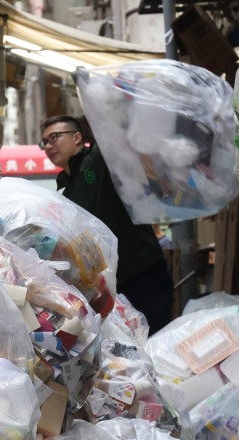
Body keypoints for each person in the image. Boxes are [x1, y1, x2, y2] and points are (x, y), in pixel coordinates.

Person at [40, 114, 174, 334]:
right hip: (108, 288)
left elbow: (112, 131)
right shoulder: (66, 192)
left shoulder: (99, 160)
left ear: (77, 137)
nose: (48, 146)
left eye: (54, 137)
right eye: (44, 142)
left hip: (141, 273)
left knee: (155, 340)